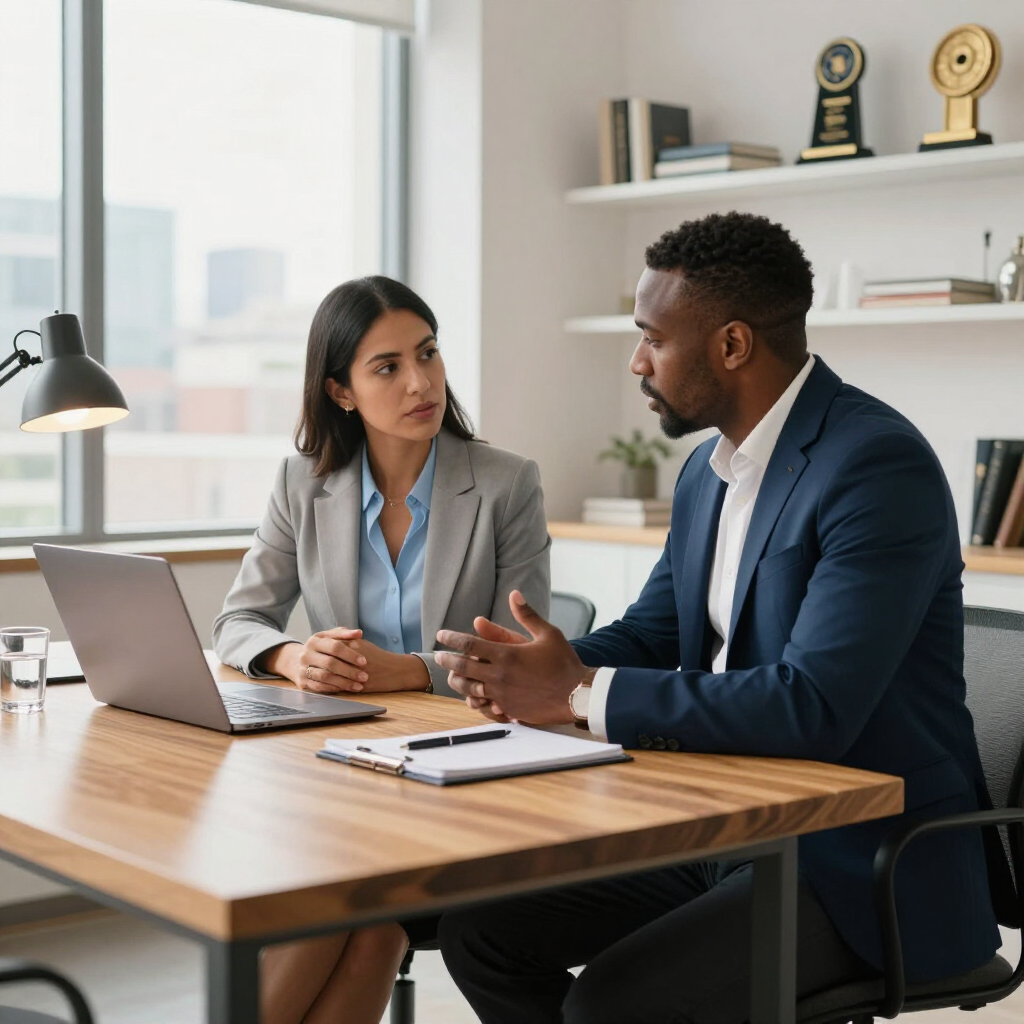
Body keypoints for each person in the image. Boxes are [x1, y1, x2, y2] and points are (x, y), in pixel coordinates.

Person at [431, 212, 1011, 1024]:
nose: (637, 361)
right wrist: (527, 672)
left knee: (611, 1004)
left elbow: (811, 704)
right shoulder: (709, 474)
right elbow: (652, 633)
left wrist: (578, 695)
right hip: (725, 831)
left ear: (733, 345)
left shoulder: (876, 466)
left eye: (653, 339)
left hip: (861, 860)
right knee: (482, 934)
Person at [213, 275, 550, 1024]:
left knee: (340, 910)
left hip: (466, 785)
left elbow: (529, 664)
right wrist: (291, 657)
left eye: (427, 354)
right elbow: (237, 622)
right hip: (338, 784)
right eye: (388, 366)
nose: (421, 381)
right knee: (366, 933)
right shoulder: (303, 483)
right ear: (340, 392)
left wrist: (418, 673)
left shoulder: (505, 484)